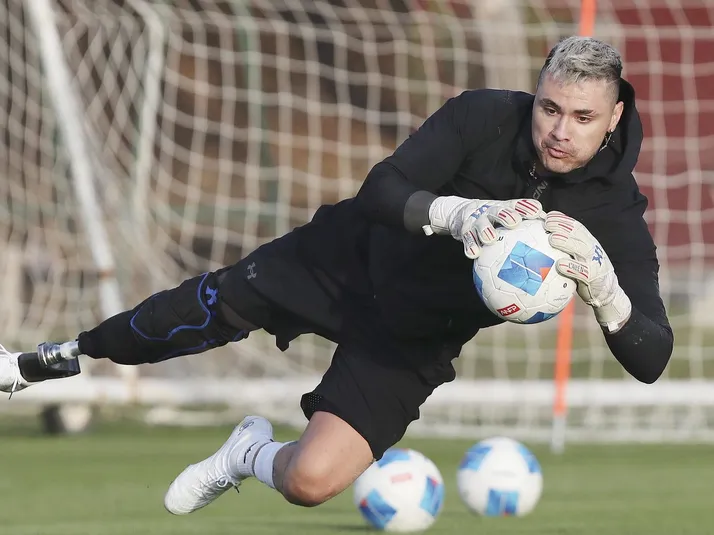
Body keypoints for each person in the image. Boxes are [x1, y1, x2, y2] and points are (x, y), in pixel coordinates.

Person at [0, 36, 673, 514]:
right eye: (549, 108)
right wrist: (456, 212)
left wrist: (605, 290)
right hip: (345, 258)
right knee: (207, 310)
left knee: (312, 482)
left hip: (411, 336)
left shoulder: (612, 215)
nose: (559, 130)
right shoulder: (483, 116)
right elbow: (383, 188)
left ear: (614, 116)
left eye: (582, 117)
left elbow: (652, 357)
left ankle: (246, 454)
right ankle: (43, 361)